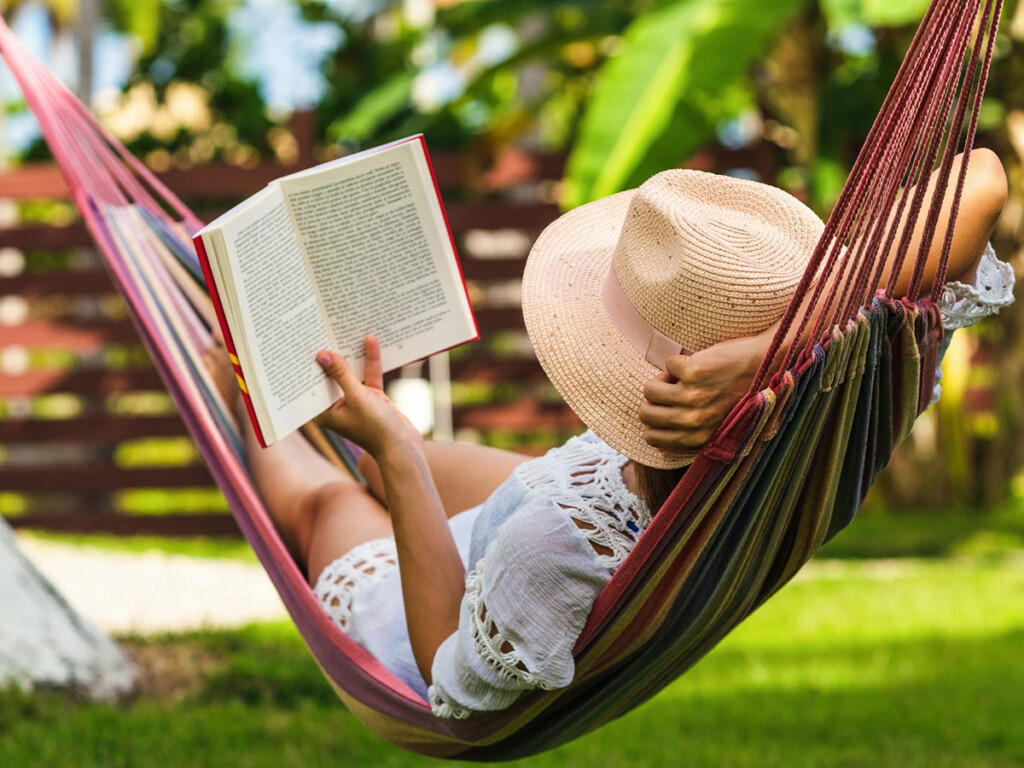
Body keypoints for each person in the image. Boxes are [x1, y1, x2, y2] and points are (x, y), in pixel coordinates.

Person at [203, 151, 1014, 719]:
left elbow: (449, 673)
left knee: (333, 500)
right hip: (584, 488)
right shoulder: (847, 397)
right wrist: (780, 349)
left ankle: (237, 391)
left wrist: (398, 450)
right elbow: (982, 176)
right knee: (373, 465)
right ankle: (346, 428)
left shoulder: (553, 551)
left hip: (446, 603)